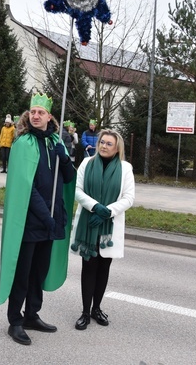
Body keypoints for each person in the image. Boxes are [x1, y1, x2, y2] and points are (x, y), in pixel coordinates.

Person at [0, 93, 75, 346]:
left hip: (52, 221)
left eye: (41, 112)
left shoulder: (56, 142)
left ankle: (32, 314)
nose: (36, 116)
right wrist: (46, 216)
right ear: (29, 116)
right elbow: (26, 188)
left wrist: (65, 160)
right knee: (23, 273)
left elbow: (69, 178)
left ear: (49, 117)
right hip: (31, 222)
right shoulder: (23, 143)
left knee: (38, 273)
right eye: (33, 112)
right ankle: (15, 321)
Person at [70, 129, 135, 331]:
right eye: (102, 142)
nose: (104, 146)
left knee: (103, 269)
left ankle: (97, 308)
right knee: (88, 268)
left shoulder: (125, 168)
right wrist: (94, 207)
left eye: (109, 144)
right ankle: (85, 312)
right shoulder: (86, 163)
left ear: (117, 149)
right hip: (88, 224)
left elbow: (128, 198)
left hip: (109, 226)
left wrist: (107, 211)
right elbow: (76, 190)